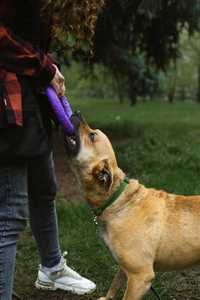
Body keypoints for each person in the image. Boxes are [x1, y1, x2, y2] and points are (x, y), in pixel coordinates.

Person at [0, 0, 96, 299]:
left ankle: (52, 268)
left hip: (30, 95)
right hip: (7, 103)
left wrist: (49, 67)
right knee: (11, 211)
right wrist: (44, 67)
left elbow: (26, 38)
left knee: (44, 188)